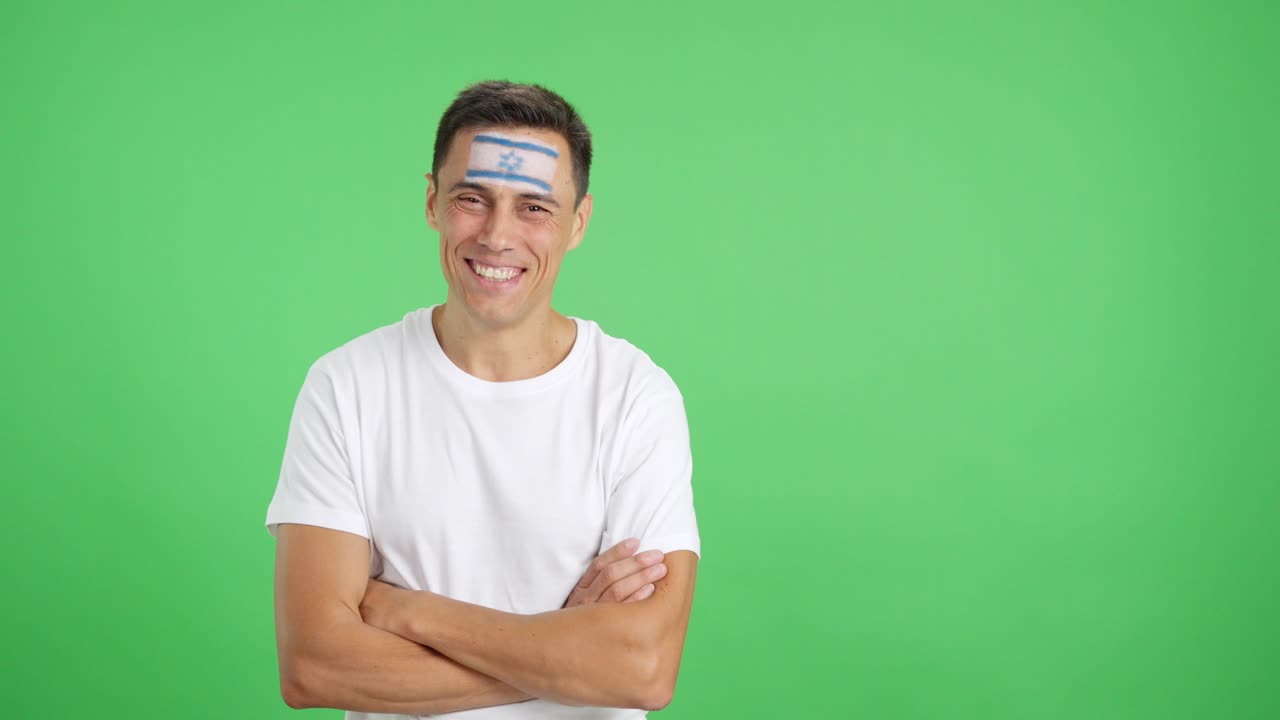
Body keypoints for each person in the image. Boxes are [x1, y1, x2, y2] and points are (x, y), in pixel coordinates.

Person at [263, 80, 702, 719]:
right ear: (432, 202)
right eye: (472, 199)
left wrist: (409, 611)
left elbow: (645, 670)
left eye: (534, 208)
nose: (497, 236)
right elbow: (313, 667)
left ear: (578, 223)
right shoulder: (346, 386)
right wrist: (566, 650)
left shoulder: (636, 397)